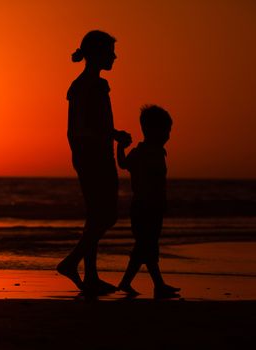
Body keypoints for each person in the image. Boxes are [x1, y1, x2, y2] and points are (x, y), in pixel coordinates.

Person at [57, 30, 131, 295]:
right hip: (95, 156)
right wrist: (113, 136)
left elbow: (85, 127)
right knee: (107, 216)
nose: (114, 56)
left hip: (89, 155)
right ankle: (71, 262)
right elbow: (88, 127)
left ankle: (91, 276)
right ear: (97, 54)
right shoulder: (91, 86)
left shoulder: (82, 85)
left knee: (96, 216)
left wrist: (112, 135)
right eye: (110, 52)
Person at [116, 105, 180, 299]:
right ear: (151, 130)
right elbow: (124, 164)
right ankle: (156, 284)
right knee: (147, 246)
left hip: (154, 207)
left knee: (145, 246)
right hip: (143, 207)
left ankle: (128, 282)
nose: (168, 135)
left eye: (168, 131)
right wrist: (120, 146)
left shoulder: (159, 152)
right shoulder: (142, 152)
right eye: (165, 130)